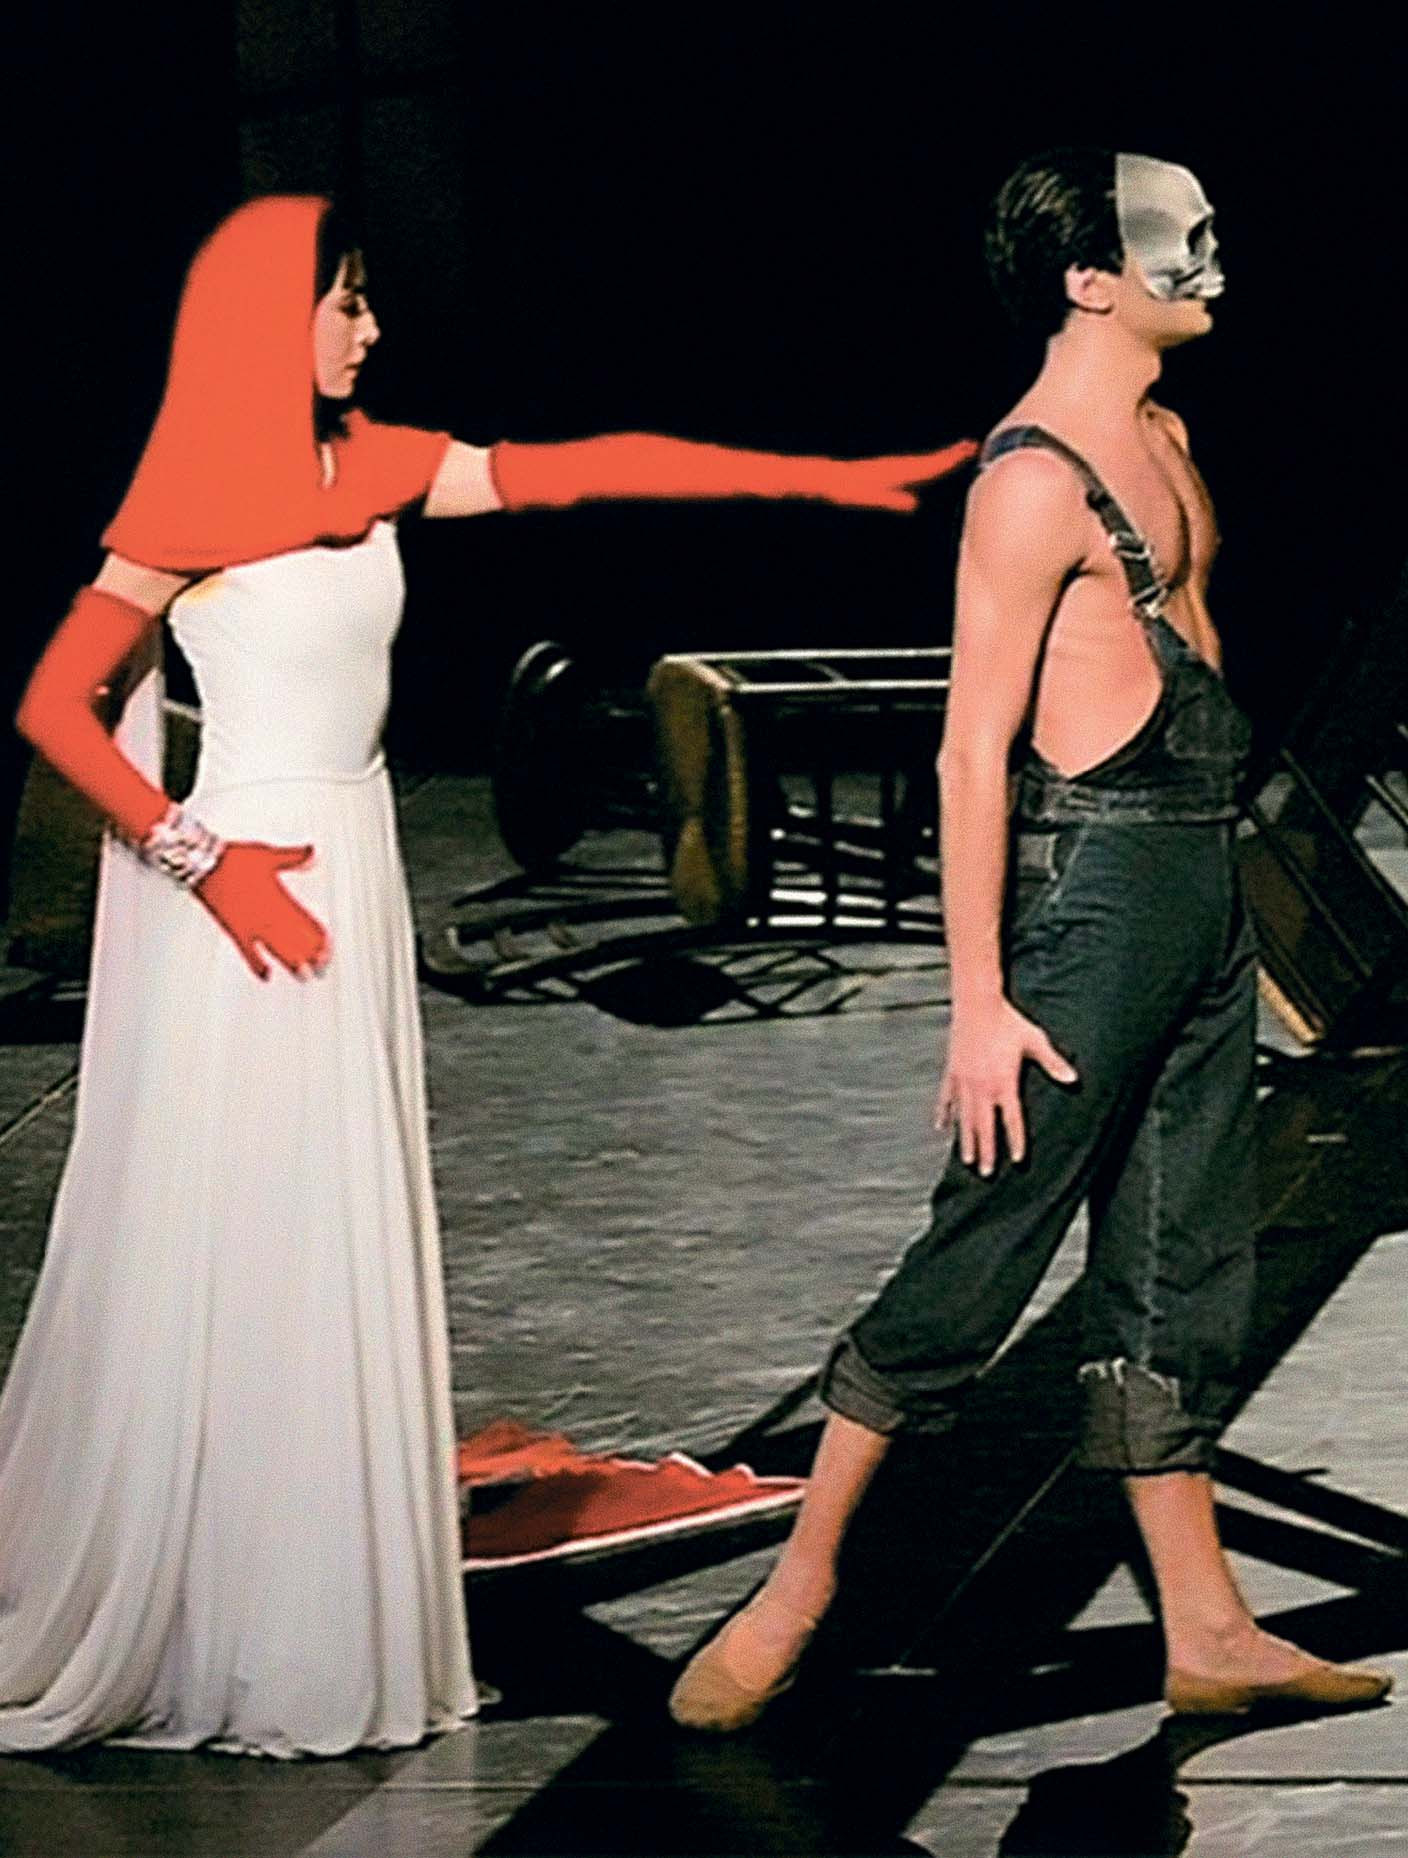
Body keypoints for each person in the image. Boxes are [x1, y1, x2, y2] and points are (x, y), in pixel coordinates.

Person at [0, 193, 974, 1757]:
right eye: (347, 300)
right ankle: (225, 1601)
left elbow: (589, 468)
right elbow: (56, 703)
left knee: (329, 1226)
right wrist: (204, 861)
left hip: (355, 867)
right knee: (250, 1232)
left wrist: (820, 477)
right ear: (267, 318)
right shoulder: (191, 492)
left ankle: (307, 1588)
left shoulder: (374, 462)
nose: (370, 326)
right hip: (253, 890)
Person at [669, 147, 1393, 1732]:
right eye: (1175, 237)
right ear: (1087, 277)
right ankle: (796, 1587)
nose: (1210, 257)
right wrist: (980, 1000)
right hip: (1095, 897)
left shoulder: (1165, 435)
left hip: (1196, 875)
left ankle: (1207, 1625)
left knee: (1182, 1257)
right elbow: (967, 751)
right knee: (985, 1244)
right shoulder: (1029, 482)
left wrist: (1234, 907)